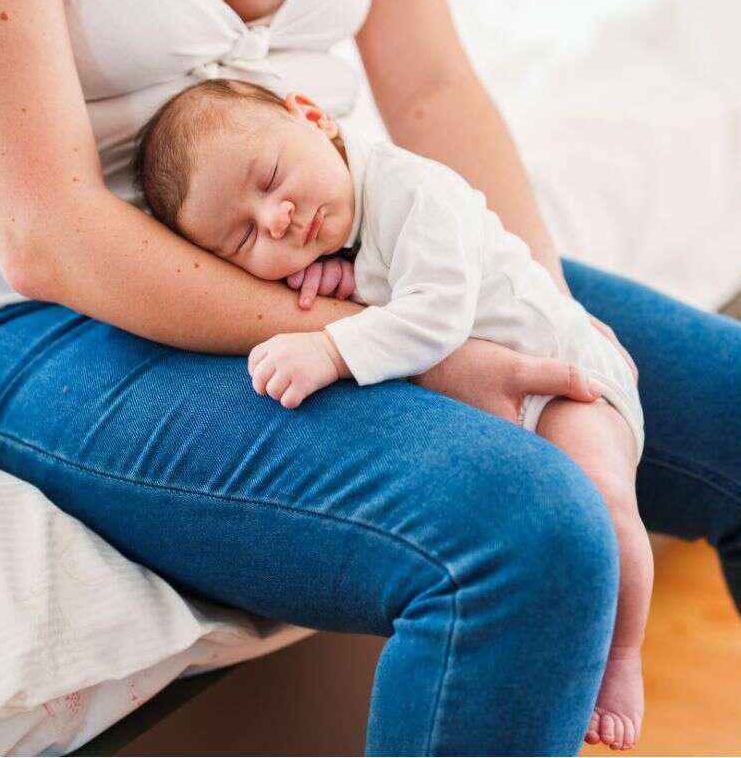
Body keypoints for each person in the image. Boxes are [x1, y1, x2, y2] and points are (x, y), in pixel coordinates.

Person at [0, 0, 741, 754]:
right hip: (60, 317)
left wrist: (551, 338)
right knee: (529, 534)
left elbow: (429, 85)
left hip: (359, 251)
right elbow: (46, 230)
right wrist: (401, 350)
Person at [133, 77, 651, 748]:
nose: (278, 219)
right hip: (506, 387)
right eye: (243, 238)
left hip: (568, 377)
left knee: (604, 504)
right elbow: (377, 276)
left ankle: (622, 656)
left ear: (316, 119)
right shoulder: (340, 225)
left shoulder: (412, 191)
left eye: (269, 178)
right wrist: (339, 275)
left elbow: (437, 313)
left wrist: (332, 346)